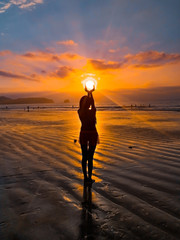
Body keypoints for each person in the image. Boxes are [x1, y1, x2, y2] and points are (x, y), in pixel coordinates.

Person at [78, 85, 98, 184]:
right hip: (92, 134)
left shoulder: (80, 112)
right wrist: (90, 93)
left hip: (84, 133)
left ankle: (86, 177)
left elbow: (90, 103)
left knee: (84, 156)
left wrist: (89, 93)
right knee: (90, 157)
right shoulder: (92, 112)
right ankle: (89, 177)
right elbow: (92, 103)